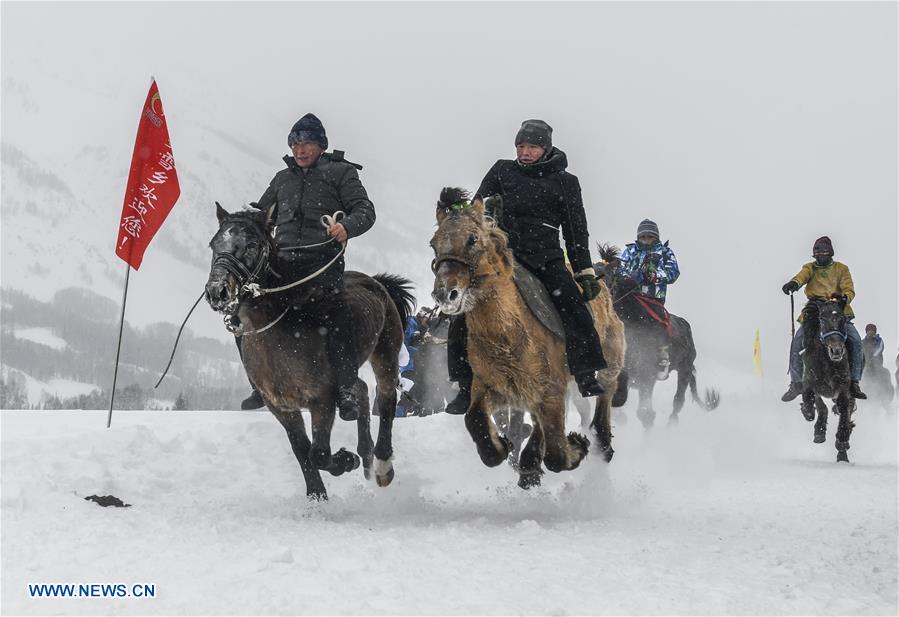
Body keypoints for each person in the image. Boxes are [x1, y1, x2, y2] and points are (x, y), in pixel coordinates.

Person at [444, 119, 607, 415]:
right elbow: (475, 212)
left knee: (572, 304)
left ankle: (585, 372)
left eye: (531, 146)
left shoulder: (565, 182)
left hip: (546, 258)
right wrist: (461, 210)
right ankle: (464, 384)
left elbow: (575, 229)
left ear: (545, 148)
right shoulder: (501, 170)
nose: (525, 152)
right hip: (503, 256)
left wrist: (584, 271)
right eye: (520, 146)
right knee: (463, 309)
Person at [239, 113, 376, 419]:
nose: (300, 150)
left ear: (321, 145)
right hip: (282, 265)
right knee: (246, 309)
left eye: (308, 144)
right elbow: (263, 216)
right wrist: (243, 221)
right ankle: (258, 384)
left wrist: (347, 227)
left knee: (338, 316)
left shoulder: (340, 173)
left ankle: (346, 388)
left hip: (321, 265)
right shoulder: (282, 179)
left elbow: (365, 211)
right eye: (295, 144)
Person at [781, 236, 865, 401]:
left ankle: (854, 381)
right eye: (818, 253)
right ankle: (796, 383)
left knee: (855, 340)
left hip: (838, 311)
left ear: (830, 253)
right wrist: (794, 283)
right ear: (814, 255)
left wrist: (845, 298)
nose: (821, 256)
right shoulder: (810, 268)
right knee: (797, 341)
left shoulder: (842, 269)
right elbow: (802, 276)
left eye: (825, 252)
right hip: (816, 312)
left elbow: (849, 288)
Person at [616, 219, 680, 372]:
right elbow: (621, 269)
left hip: (653, 298)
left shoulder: (665, 252)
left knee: (658, 319)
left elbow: (673, 273)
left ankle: (662, 350)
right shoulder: (630, 251)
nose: (646, 240)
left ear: (656, 237)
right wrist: (631, 276)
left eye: (649, 236)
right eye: (643, 236)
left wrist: (654, 276)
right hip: (630, 295)